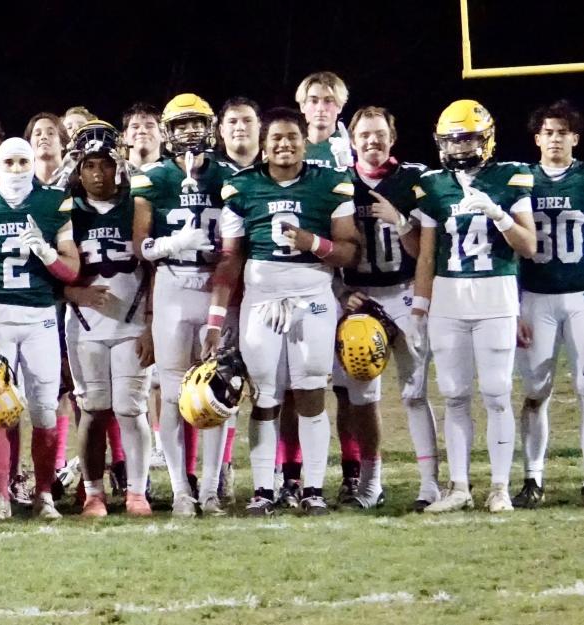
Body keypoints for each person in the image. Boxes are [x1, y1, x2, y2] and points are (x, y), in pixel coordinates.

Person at [211, 107, 362, 516]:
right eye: (276, 137)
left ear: (304, 141)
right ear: (264, 142)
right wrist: (215, 316)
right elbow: (230, 258)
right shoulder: (241, 187)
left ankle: (312, 486)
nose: (284, 144)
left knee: (311, 390)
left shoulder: (331, 183)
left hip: (312, 295)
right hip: (261, 300)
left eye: (292, 137)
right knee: (263, 395)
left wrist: (314, 243)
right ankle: (264, 487)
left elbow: (349, 249)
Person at [411, 100, 535, 514]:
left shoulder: (509, 177)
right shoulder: (433, 184)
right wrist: (418, 308)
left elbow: (529, 246)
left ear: (487, 137)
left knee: (497, 394)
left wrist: (499, 214)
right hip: (448, 297)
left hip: (496, 293)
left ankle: (499, 486)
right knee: (454, 395)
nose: (460, 147)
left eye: (467, 138)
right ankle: (459, 486)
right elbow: (426, 256)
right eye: (452, 140)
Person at [0, 137, 81, 519]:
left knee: (44, 408)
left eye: (22, 162)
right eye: (8, 162)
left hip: (41, 317)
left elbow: (72, 269)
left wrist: (46, 252)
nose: (15, 169)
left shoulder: (53, 201)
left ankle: (44, 494)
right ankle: (0, 496)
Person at [132, 94, 234, 514]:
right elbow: (140, 246)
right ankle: (180, 490)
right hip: (172, 283)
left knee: (215, 391)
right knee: (173, 393)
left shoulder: (227, 175)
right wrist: (173, 243)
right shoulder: (152, 178)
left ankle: (210, 488)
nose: (191, 133)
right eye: (182, 125)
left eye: (197, 124)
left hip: (213, 286)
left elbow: (237, 243)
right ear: (168, 132)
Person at [331, 107, 430, 510]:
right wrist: (340, 290)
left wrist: (401, 221)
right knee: (361, 398)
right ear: (353, 141)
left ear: (393, 137)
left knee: (415, 392)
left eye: (380, 134)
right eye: (365, 135)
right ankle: (370, 484)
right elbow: (329, 248)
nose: (373, 142)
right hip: (361, 297)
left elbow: (426, 251)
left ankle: (430, 483)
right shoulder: (338, 182)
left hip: (404, 292)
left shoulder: (414, 179)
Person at [61, 122, 151, 517]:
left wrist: (151, 319)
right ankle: (94, 492)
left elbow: (155, 265)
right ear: (78, 171)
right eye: (90, 165)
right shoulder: (65, 211)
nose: (99, 173)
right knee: (94, 408)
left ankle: (137, 491)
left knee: (131, 409)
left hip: (132, 320)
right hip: (84, 321)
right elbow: (45, 269)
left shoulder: (139, 203)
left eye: (106, 165)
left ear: (119, 167)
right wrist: (71, 292)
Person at [518, 100, 584, 509]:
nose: (555, 138)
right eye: (548, 131)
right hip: (535, 297)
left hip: (581, 295)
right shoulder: (520, 180)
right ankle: (533, 476)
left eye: (563, 131)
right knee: (535, 391)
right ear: (537, 138)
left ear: (575, 137)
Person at [296, 72, 355, 169]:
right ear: (302, 106)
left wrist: (348, 168)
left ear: (339, 106)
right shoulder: (291, 146)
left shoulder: (352, 146)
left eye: (328, 101)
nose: (320, 108)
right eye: (314, 101)